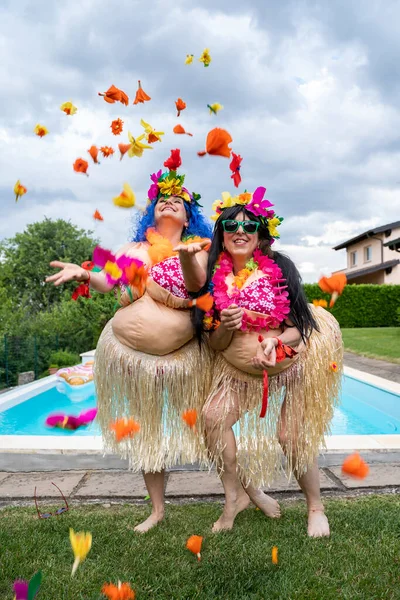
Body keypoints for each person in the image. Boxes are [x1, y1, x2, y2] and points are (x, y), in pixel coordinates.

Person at [46, 164, 214, 533]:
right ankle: (156, 510)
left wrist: (185, 256)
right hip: (131, 357)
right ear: (152, 210)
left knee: (212, 424)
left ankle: (234, 498)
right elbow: (108, 282)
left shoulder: (200, 248)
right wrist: (85, 274)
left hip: (183, 358)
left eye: (178, 201)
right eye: (162, 199)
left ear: (189, 216)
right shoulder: (133, 249)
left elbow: (198, 285)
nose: (169, 203)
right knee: (147, 434)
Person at [187, 187, 343, 536]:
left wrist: (273, 340)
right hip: (237, 371)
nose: (239, 231)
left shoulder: (281, 267)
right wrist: (226, 328)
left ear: (260, 234)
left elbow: (299, 331)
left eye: (249, 225)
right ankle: (239, 497)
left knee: (291, 436)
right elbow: (214, 344)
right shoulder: (212, 279)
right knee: (212, 419)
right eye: (230, 225)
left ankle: (315, 507)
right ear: (221, 236)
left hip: (291, 366)